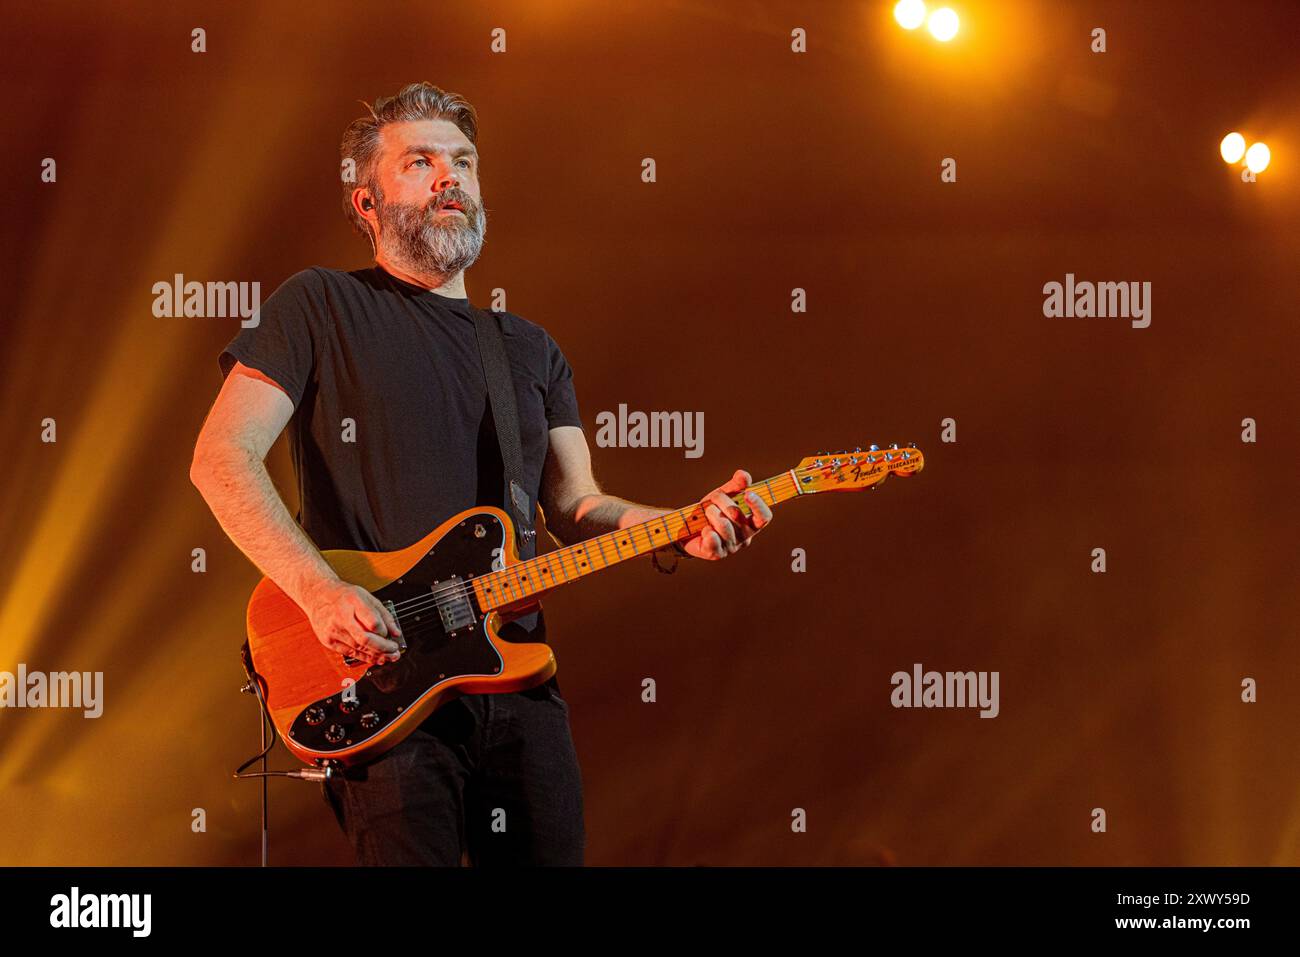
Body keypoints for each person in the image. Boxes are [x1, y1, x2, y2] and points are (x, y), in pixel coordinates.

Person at [189, 81, 773, 866]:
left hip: (518, 675)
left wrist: (678, 524)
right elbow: (220, 457)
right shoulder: (318, 305)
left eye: (462, 161)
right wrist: (320, 591)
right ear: (367, 203)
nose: (448, 178)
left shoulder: (527, 349)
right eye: (420, 162)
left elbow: (577, 502)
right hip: (381, 676)